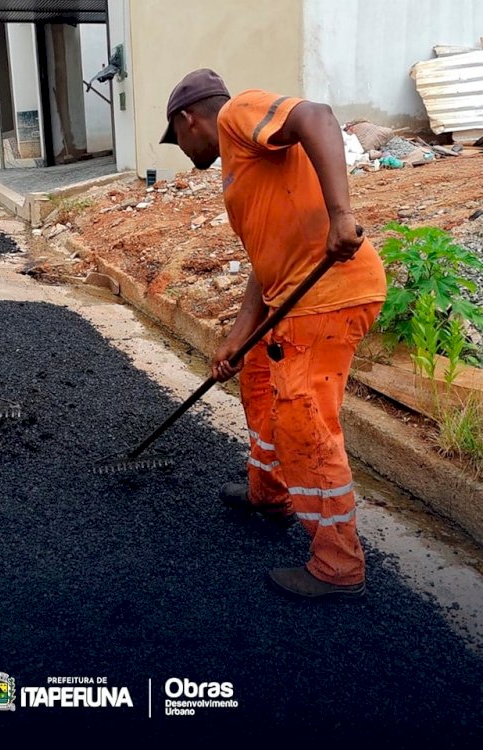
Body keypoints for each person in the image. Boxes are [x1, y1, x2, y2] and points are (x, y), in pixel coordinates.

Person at [160, 70, 386, 600]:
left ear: (187, 118)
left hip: (330, 294)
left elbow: (317, 116)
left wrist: (340, 216)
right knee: (259, 379)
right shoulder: (243, 168)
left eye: (178, 138)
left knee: (303, 419)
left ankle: (338, 565)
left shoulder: (238, 113)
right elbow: (266, 264)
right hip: (290, 299)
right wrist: (238, 338)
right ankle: (269, 494)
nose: (184, 149)